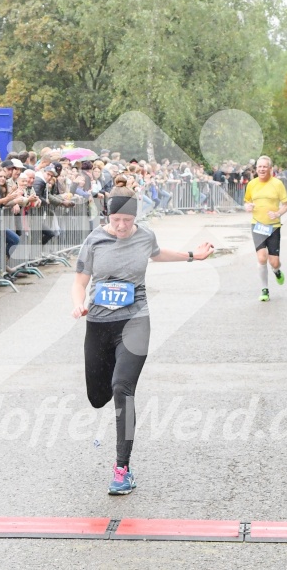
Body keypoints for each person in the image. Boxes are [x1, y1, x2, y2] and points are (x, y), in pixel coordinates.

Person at [71, 179, 214, 495]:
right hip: (97, 323)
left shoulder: (144, 236)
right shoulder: (93, 241)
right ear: (107, 216)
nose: (121, 226)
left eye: (127, 221)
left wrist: (194, 255)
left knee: (123, 389)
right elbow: (79, 282)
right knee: (98, 397)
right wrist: (78, 303)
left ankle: (122, 469)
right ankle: (108, 388)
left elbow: (158, 253)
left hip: (134, 320)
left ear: (136, 218)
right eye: (116, 220)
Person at [244, 155, 287, 302]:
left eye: (265, 167)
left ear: (270, 168)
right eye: (259, 167)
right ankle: (265, 289)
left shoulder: (277, 184)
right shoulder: (252, 184)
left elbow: (286, 205)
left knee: (274, 262)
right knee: (262, 257)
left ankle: (277, 271)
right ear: (256, 169)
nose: (262, 169)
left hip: (274, 227)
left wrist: (277, 213)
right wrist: (248, 206)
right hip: (257, 225)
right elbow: (246, 202)